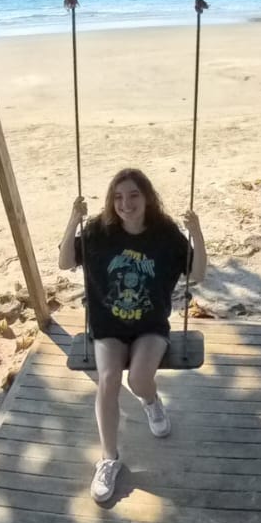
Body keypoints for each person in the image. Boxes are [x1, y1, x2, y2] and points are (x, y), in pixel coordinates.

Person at [58, 168, 207, 504]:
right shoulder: (99, 230)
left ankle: (151, 402)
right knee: (109, 380)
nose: (126, 203)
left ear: (147, 197)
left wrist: (196, 233)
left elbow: (197, 273)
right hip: (108, 327)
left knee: (140, 380)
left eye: (134, 195)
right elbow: (66, 263)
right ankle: (109, 459)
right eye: (118, 196)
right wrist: (73, 219)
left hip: (150, 325)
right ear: (112, 201)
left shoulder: (165, 234)